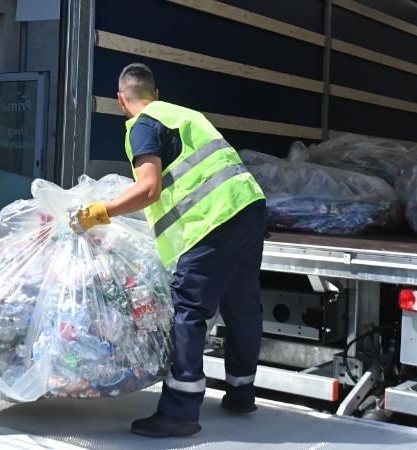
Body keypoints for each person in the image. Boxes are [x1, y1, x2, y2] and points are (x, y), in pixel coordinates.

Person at [70, 63, 268, 438]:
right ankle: (242, 393)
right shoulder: (184, 114)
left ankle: (179, 411)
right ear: (155, 94)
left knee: (189, 310)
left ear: (121, 100)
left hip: (212, 219)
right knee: (241, 304)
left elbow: (149, 188)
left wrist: (99, 213)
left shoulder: (142, 125)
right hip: (249, 206)